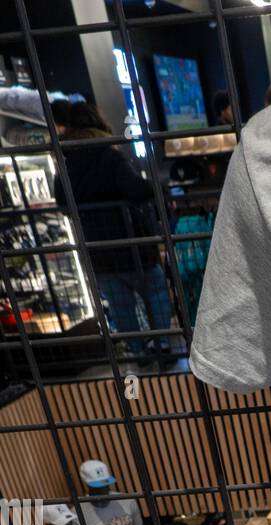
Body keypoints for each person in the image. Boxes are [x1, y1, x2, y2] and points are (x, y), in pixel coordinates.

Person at [52, 99, 173, 364]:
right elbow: (135, 188)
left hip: (97, 248)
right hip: (131, 242)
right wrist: (160, 191)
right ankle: (161, 343)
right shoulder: (109, 155)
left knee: (120, 304)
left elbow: (61, 202)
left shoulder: (66, 163)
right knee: (155, 290)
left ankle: (137, 350)